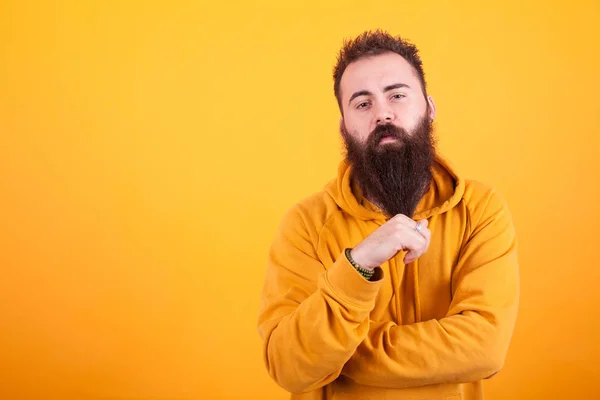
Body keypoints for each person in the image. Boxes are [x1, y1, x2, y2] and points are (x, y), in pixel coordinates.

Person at [257, 30, 519, 400]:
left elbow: (485, 348)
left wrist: (338, 355)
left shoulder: (480, 210)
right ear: (344, 126)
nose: (383, 113)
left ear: (429, 107)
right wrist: (358, 264)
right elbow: (289, 365)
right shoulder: (305, 224)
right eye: (362, 104)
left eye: (397, 95)